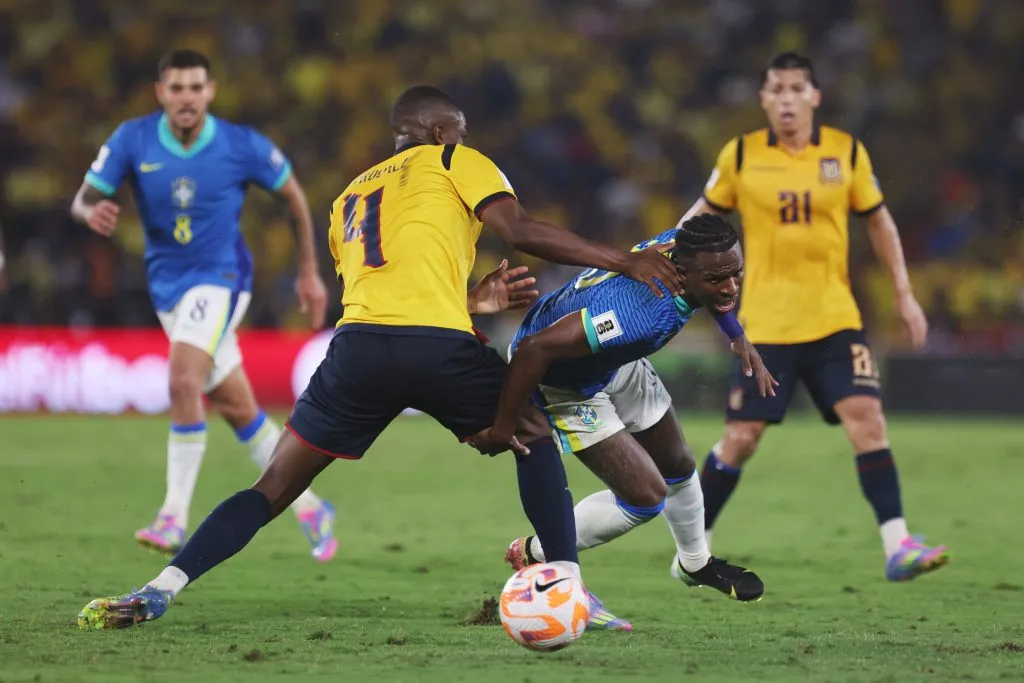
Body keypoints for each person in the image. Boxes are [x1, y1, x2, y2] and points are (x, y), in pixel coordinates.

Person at [77, 84, 683, 630]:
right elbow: (518, 231)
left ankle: (161, 588)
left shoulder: (348, 197)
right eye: (461, 132)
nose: (464, 140)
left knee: (273, 486)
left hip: (359, 352)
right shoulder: (455, 160)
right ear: (443, 132)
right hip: (439, 349)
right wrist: (624, 261)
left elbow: (384, 293)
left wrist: (471, 299)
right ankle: (566, 587)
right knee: (528, 432)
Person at [678, 53, 948, 581]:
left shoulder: (845, 153)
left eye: (796, 88)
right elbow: (702, 214)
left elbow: (879, 223)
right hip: (767, 326)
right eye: (775, 89)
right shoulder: (741, 155)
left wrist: (904, 293)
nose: (785, 99)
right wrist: (657, 254)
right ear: (762, 99)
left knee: (867, 421)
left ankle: (899, 545)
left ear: (814, 97)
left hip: (834, 320)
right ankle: (694, 550)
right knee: (741, 438)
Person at [69, 49, 337, 561]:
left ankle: (173, 514)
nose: (186, 97)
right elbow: (82, 197)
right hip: (167, 286)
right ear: (161, 93)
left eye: (195, 87)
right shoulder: (133, 139)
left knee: (182, 379)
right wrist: (90, 212)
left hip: (223, 279)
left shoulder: (240, 145)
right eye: (176, 88)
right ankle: (312, 507)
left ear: (210, 92)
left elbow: (295, 198)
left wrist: (308, 271)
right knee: (237, 407)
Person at [472, 215, 770, 603]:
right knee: (645, 497)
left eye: (737, 273)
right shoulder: (637, 314)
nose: (730, 287)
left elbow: (717, 281)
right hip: (562, 380)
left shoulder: (686, 248)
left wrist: (737, 335)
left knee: (678, 464)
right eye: (717, 280)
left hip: (611, 359)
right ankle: (537, 552)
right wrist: (503, 426)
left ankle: (695, 563)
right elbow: (534, 349)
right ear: (684, 271)